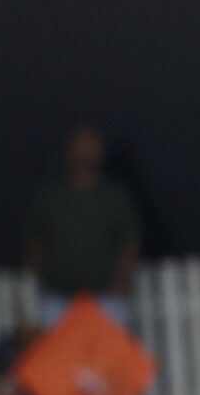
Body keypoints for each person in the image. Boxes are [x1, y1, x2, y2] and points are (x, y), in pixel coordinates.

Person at [25, 125, 140, 328]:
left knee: (108, 348)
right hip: (58, 299)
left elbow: (129, 243)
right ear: (69, 152)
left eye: (90, 148)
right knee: (58, 348)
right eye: (80, 148)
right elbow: (35, 242)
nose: (84, 154)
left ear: (100, 153)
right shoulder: (52, 198)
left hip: (106, 299)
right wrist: (42, 281)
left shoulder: (113, 197)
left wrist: (120, 284)